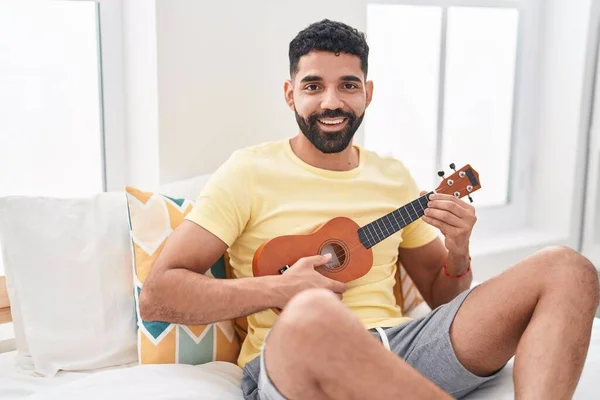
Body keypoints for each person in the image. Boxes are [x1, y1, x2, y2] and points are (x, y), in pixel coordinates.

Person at [139, 19, 600, 400]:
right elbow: (159, 294)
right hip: (297, 355)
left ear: (368, 92)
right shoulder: (247, 172)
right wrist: (278, 290)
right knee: (314, 313)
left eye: (348, 85)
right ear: (289, 93)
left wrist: (457, 250)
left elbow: (443, 300)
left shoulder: (393, 177)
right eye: (313, 86)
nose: (332, 102)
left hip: (403, 347)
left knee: (569, 267)